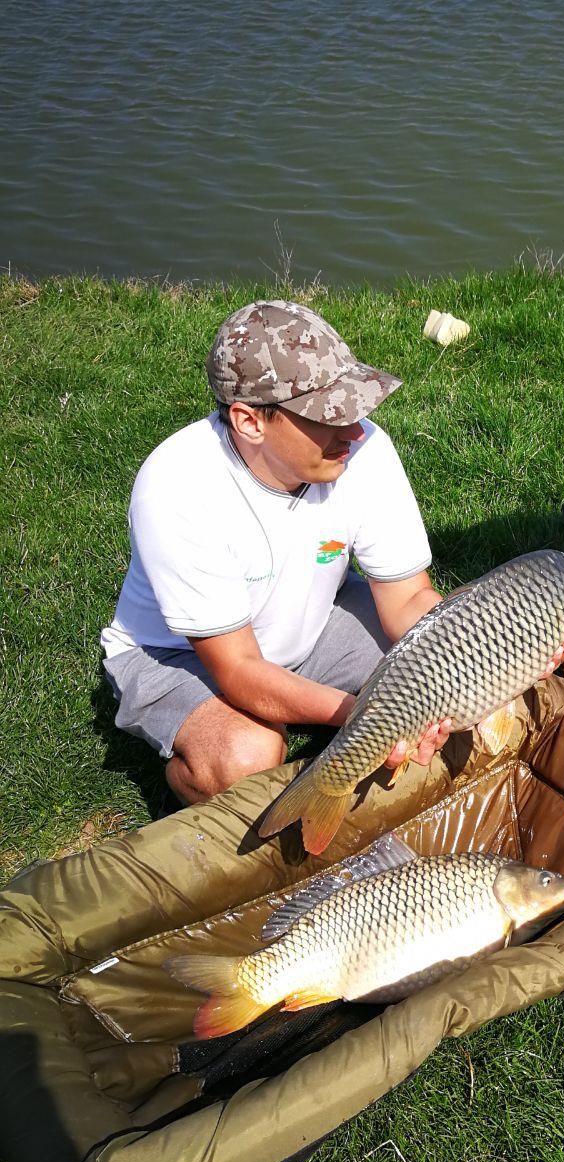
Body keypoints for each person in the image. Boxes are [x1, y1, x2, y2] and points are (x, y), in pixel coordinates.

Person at [100, 300, 454, 806]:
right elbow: (239, 667)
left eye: (353, 407)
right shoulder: (176, 487)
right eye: (329, 415)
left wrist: (491, 649)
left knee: (458, 675)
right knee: (248, 757)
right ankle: (190, 774)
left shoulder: (364, 449)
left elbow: (408, 600)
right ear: (249, 422)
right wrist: (365, 715)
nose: (354, 432)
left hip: (316, 623)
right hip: (178, 655)